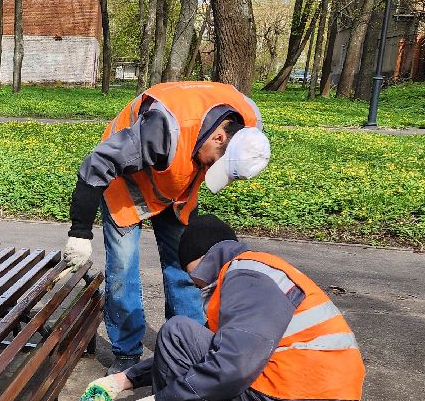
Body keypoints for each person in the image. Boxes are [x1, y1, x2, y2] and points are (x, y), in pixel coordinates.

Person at [78, 214, 364, 401]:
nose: (196, 285)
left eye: (193, 276)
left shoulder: (246, 277)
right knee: (196, 374)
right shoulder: (259, 272)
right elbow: (200, 354)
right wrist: (124, 380)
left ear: (203, 260)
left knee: (178, 333)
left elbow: (229, 366)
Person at [62, 81, 271, 372]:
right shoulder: (163, 130)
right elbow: (96, 165)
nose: (211, 170)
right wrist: (80, 232)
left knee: (186, 268)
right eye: (214, 164)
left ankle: (188, 345)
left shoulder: (248, 124)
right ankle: (127, 353)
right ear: (220, 136)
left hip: (176, 185)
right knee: (123, 271)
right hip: (127, 183)